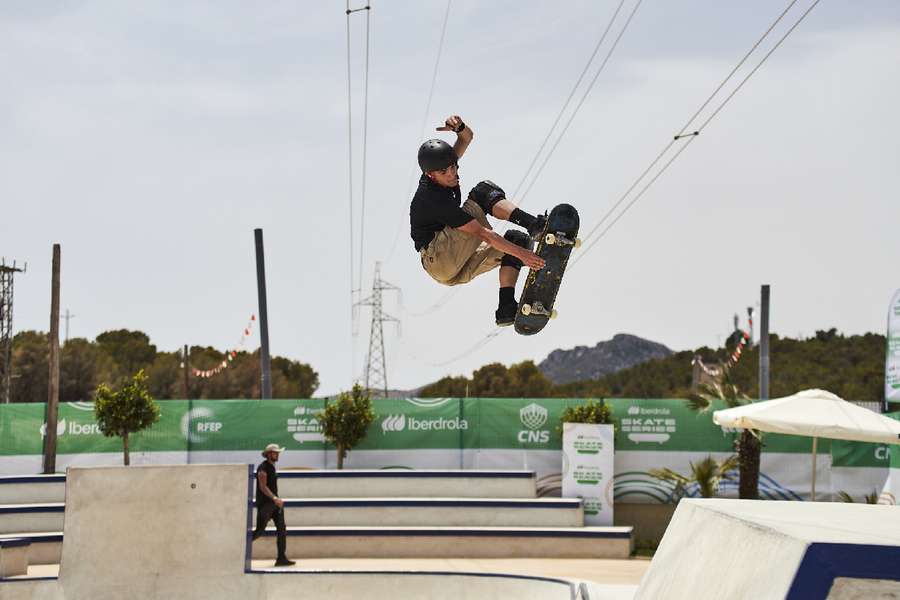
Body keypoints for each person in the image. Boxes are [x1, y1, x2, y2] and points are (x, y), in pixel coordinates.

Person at [410, 114, 547, 326]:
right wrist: (527, 257)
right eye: (444, 172)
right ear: (430, 176)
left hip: (449, 269)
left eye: (454, 166)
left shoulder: (442, 166)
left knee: (516, 242)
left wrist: (459, 127)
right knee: (484, 192)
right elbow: (483, 234)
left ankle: (506, 308)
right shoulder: (433, 198)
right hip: (438, 255)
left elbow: (466, 138)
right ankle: (536, 226)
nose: (452, 173)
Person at [251, 443, 295, 567]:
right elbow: (263, 487)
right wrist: (275, 498)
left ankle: (281, 558)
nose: (277, 454)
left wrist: (276, 501)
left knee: (282, 529)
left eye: (278, 452)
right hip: (266, 505)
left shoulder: (272, 467)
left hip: (275, 504)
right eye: (275, 452)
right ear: (269, 454)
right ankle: (240, 548)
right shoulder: (263, 468)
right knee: (259, 531)